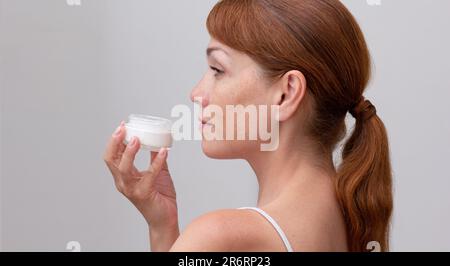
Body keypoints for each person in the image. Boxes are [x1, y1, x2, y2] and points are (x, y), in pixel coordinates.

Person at [103, 0, 393, 252]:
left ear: (287, 92)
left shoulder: (222, 237)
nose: (196, 94)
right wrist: (162, 225)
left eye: (218, 70)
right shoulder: (353, 220)